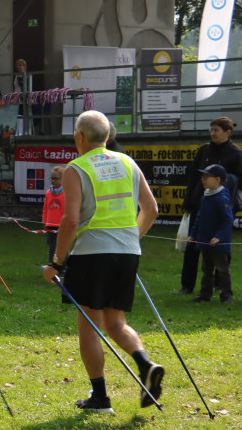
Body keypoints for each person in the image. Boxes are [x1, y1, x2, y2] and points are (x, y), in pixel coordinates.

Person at [42, 110, 161, 413]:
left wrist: (56, 262)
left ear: (79, 137)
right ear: (107, 136)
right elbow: (151, 209)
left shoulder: (75, 169)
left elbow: (69, 221)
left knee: (90, 329)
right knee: (116, 322)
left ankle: (100, 398)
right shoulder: (128, 162)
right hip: (127, 250)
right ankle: (145, 364)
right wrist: (133, 237)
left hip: (91, 254)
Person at [178, 117, 242, 295]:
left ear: (228, 133)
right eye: (211, 130)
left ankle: (221, 286)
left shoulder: (236, 154)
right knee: (192, 245)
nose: (213, 133)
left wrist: (227, 185)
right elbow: (193, 177)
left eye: (216, 130)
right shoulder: (204, 149)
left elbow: (239, 181)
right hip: (200, 203)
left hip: (222, 206)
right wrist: (188, 202)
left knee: (220, 248)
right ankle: (187, 285)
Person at [188, 164, 233, 304]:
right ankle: (205, 294)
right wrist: (193, 234)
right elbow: (199, 218)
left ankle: (226, 295)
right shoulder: (206, 196)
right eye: (202, 176)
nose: (203, 179)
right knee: (206, 269)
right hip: (205, 240)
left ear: (218, 179)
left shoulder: (221, 197)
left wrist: (218, 236)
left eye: (207, 176)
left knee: (222, 269)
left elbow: (227, 220)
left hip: (218, 243)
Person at [42, 165, 66, 262]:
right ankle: (52, 266)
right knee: (52, 247)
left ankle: (64, 268)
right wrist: (45, 222)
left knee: (62, 248)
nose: (53, 181)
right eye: (51, 178)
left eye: (55, 179)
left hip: (62, 226)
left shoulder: (66, 193)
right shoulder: (48, 193)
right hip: (50, 225)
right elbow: (45, 209)